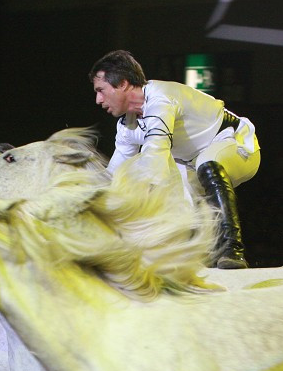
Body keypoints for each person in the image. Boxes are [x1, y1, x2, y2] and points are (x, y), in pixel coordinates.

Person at [89, 50, 260, 269]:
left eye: (101, 90)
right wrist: (92, 201)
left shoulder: (161, 98)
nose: (98, 99)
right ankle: (201, 256)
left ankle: (232, 249)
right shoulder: (126, 125)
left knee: (205, 166)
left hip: (236, 143)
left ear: (122, 83)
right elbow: (115, 174)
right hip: (190, 161)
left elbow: (156, 155)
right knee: (180, 206)